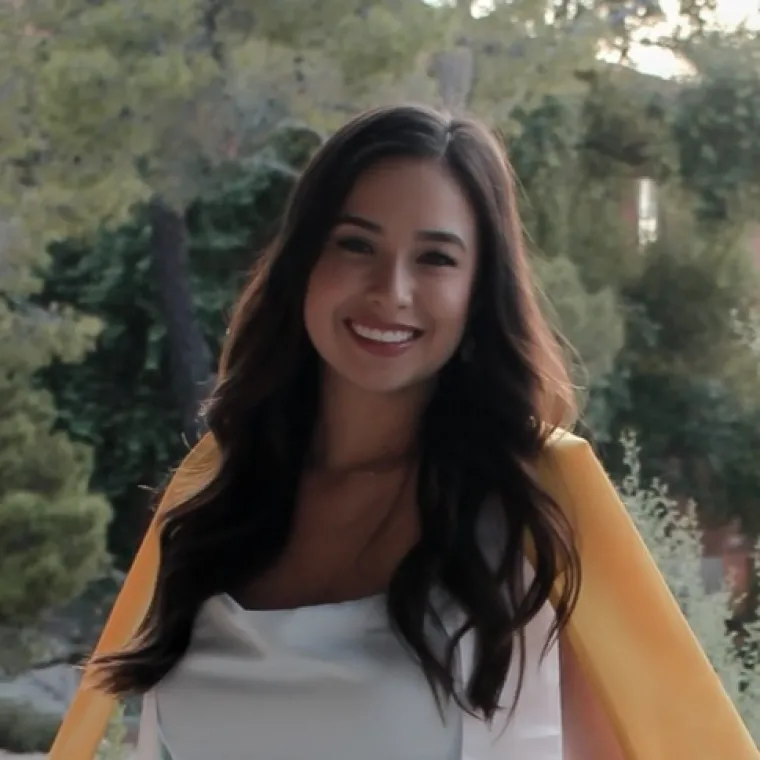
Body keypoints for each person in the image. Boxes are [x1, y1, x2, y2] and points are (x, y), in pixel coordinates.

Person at [87, 104, 627, 759]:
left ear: (479, 290)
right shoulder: (217, 487)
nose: (390, 289)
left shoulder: (536, 503)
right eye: (355, 244)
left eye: (435, 258)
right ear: (304, 261)